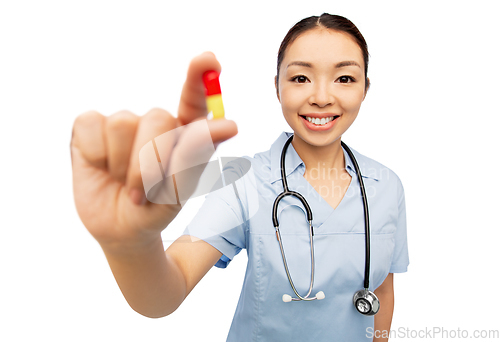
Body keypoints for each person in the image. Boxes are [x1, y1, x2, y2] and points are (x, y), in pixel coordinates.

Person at [71, 13, 408, 341]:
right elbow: (166, 293)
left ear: (365, 87)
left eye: (345, 78)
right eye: (300, 78)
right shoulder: (244, 181)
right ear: (277, 87)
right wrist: (132, 245)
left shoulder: (386, 186)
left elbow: (381, 290)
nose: (321, 97)